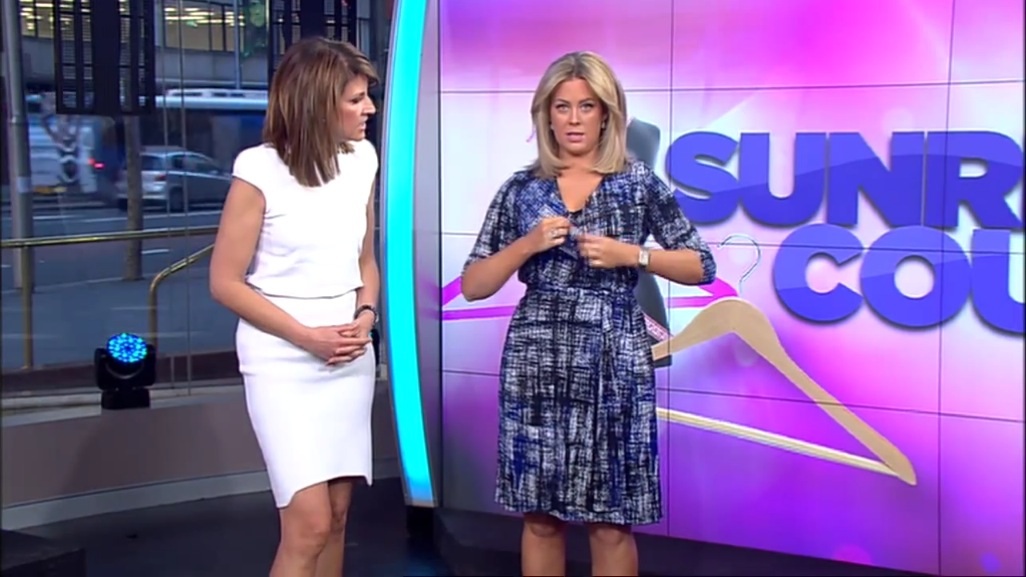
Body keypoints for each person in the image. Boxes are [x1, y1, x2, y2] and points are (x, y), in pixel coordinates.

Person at [461, 51, 717, 576]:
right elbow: (473, 285)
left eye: (586, 106)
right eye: (562, 107)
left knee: (610, 520)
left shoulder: (637, 183)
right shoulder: (520, 189)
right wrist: (527, 245)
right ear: (546, 115)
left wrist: (634, 256)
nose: (574, 119)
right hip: (536, 361)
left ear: (607, 114)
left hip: (613, 361)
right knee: (539, 517)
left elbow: (701, 265)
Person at [209, 37, 380, 577]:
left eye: (368, 97)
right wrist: (306, 336)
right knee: (308, 525)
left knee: (337, 516)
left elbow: (365, 260)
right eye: (355, 99)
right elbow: (225, 283)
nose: (369, 109)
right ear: (317, 103)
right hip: (282, 359)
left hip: (348, 354)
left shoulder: (362, 160)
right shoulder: (258, 169)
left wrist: (366, 318)